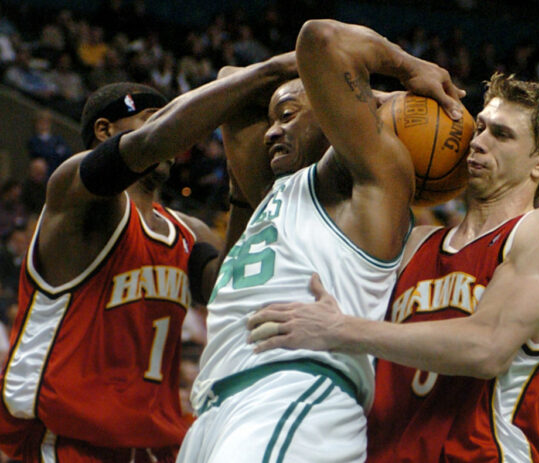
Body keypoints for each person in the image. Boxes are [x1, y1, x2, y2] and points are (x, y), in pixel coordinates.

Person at [248, 72, 539, 462]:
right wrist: (392, 106)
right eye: (481, 127)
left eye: (502, 135)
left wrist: (341, 328)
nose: (477, 142)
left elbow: (487, 348)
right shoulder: (416, 243)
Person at [176, 19, 465, 462]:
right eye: (273, 119)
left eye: (288, 116)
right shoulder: (278, 196)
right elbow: (232, 84)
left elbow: (322, 39)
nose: (273, 130)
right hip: (220, 405)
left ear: (334, 117)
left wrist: (406, 70)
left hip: (294, 393)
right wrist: (284, 85)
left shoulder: (370, 187)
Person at [0, 57, 312, 461]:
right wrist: (268, 73)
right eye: (154, 118)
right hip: (69, 438)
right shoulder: (75, 191)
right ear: (104, 130)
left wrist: (241, 187)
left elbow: (225, 293)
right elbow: (153, 143)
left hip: (151, 444)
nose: (170, 131)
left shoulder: (189, 232)